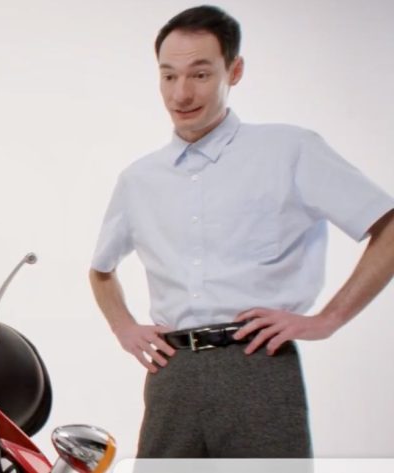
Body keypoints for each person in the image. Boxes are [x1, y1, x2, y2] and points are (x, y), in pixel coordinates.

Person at [90, 5, 394, 458]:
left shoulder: (289, 150)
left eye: (200, 74)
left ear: (234, 71)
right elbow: (101, 270)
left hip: (257, 365)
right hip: (171, 373)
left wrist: (328, 320)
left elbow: (388, 227)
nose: (181, 93)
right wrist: (124, 327)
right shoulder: (139, 180)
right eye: (169, 76)